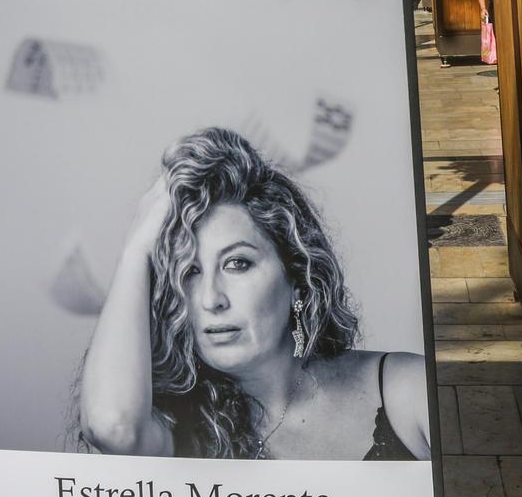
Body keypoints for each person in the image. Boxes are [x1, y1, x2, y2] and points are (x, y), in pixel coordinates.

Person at [78, 127, 430, 462]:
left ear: (297, 275)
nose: (211, 299)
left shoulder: (407, 389)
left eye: (237, 264)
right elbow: (113, 426)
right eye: (190, 272)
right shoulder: (181, 425)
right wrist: (137, 249)